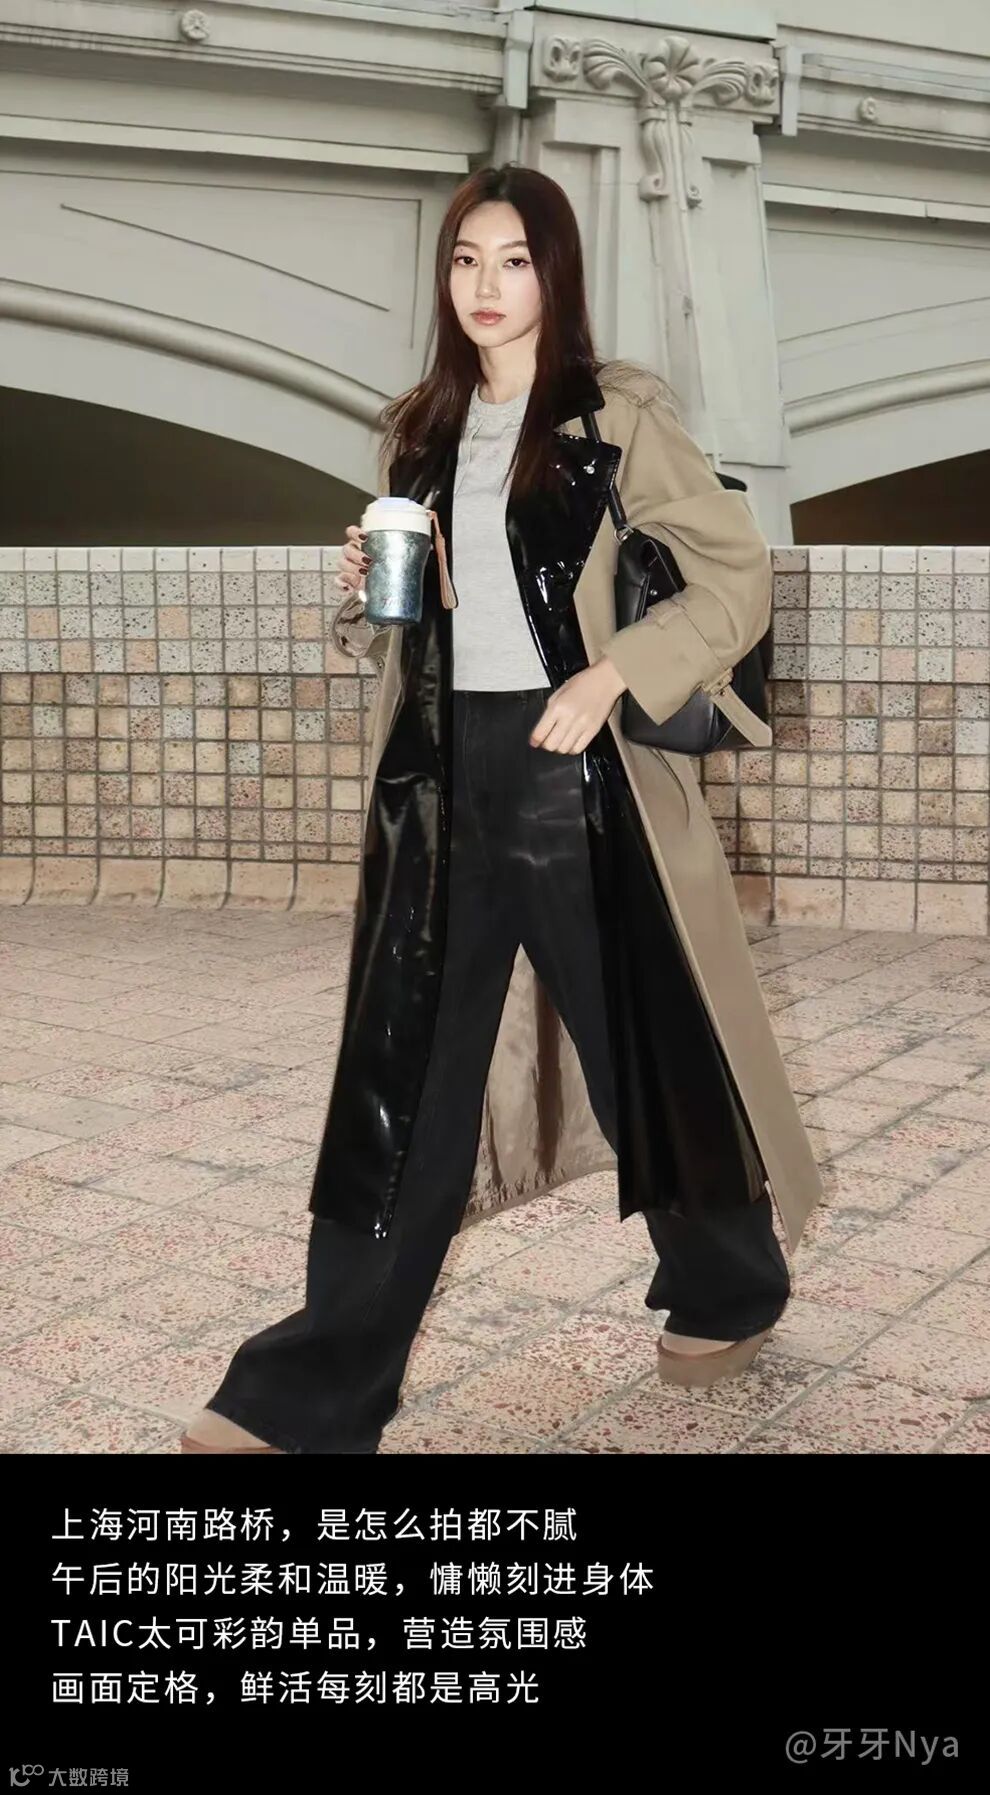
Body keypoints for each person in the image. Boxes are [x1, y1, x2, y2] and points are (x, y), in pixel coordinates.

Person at [180, 162, 822, 1455]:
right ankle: (314, 1390)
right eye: (466, 259)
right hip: (435, 780)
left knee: (646, 1053)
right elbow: (415, 631)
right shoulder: (420, 430)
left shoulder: (613, 414)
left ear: (555, 274)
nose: (486, 285)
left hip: (581, 783)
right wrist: (374, 592)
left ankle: (729, 1286)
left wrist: (611, 674)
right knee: (399, 1077)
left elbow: (732, 577)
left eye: (515, 260)